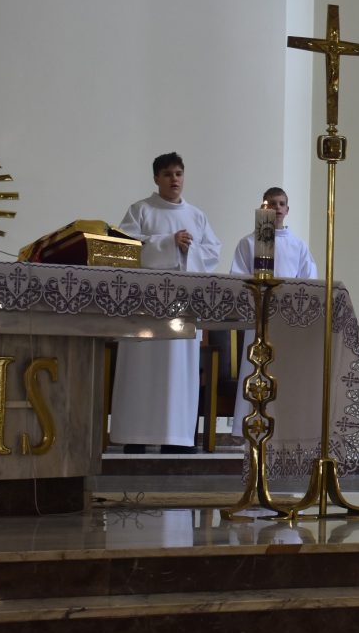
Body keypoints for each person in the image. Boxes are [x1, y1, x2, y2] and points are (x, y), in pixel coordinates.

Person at [111, 152, 221, 453]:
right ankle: (135, 437)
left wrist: (187, 250)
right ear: (156, 178)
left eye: (179, 173)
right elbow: (125, 249)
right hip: (144, 308)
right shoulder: (140, 210)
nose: (175, 179)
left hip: (182, 307)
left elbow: (212, 252)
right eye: (168, 174)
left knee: (179, 372)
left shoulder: (197, 216)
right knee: (141, 371)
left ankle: (177, 438)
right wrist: (168, 243)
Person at [230, 187, 319, 437]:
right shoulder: (248, 243)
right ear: (263, 208)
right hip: (258, 318)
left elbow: (309, 282)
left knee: (285, 373)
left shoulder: (298, 246)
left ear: (287, 209)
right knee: (254, 369)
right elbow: (238, 278)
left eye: (281, 204)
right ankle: (250, 427)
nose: (277, 208)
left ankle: (284, 428)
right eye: (272, 203)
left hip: (287, 322)